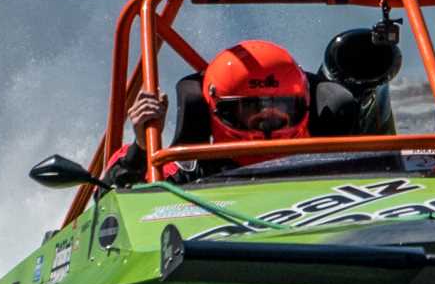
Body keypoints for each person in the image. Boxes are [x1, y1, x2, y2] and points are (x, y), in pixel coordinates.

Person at [104, 39, 312, 183]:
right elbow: (112, 211)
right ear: (219, 110)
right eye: (251, 107)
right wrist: (140, 149)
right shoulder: (190, 169)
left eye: (281, 105)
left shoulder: (331, 156)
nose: (267, 116)